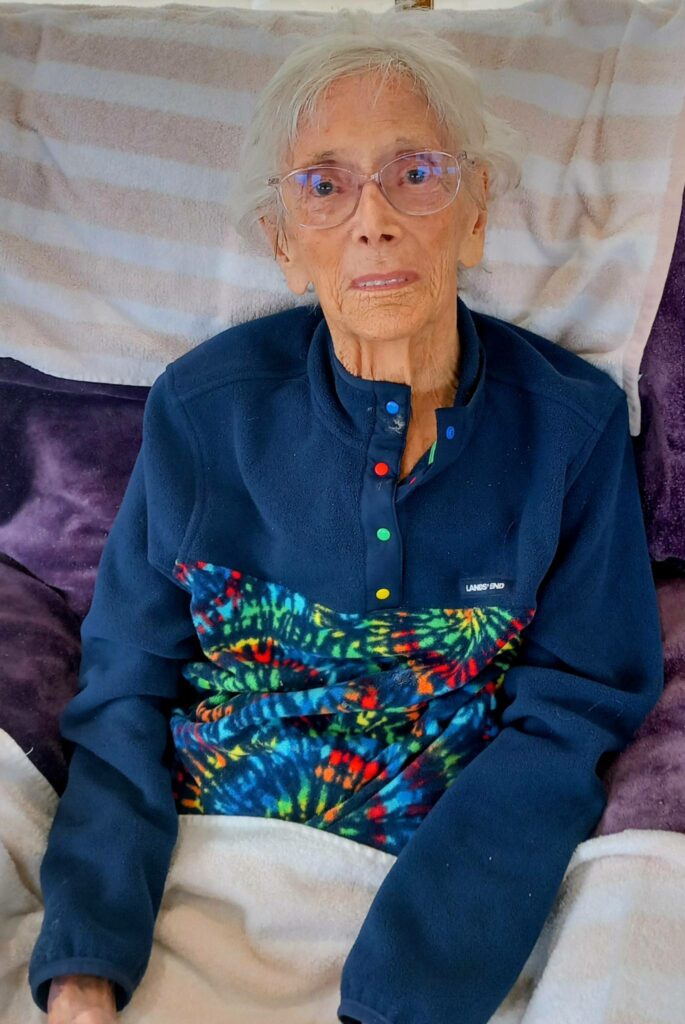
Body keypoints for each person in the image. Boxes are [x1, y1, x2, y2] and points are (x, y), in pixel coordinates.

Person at [30, 3, 664, 1023]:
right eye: (324, 186)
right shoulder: (201, 409)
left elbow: (575, 709)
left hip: (451, 906)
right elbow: (123, 689)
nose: (373, 218)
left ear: (477, 210)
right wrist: (85, 966)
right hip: (195, 874)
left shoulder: (571, 430)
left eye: (416, 172)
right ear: (286, 244)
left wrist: (405, 993)